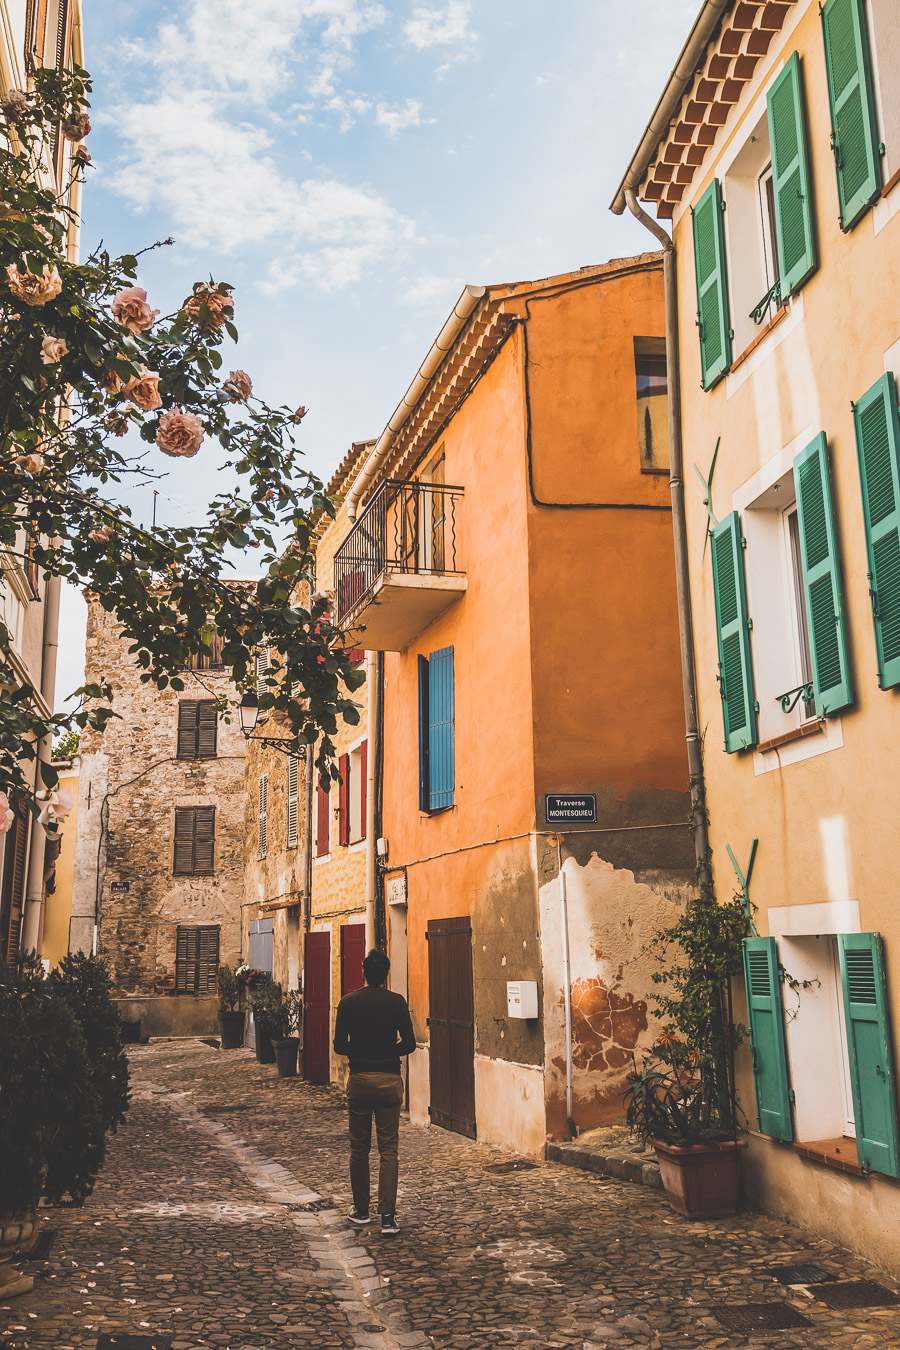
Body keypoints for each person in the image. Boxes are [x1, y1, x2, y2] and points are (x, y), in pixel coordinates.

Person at [333, 947, 416, 1236]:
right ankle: (388, 1217)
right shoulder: (396, 1002)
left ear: (363, 972)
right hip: (389, 1080)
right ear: (386, 974)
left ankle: (361, 1210)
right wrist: (386, 1050)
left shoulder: (348, 1003)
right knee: (388, 1149)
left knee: (359, 1148)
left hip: (360, 1079)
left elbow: (339, 1046)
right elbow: (409, 1043)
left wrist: (362, 1050)